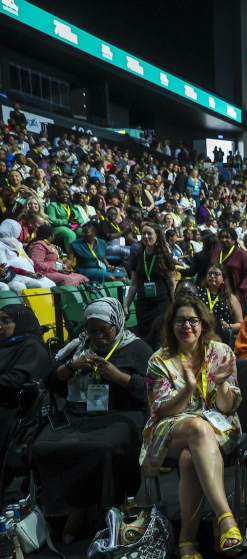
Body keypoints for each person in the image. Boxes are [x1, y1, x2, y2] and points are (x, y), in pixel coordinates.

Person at [142, 296, 244, 559]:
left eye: (192, 320)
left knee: (189, 458)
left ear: (203, 324)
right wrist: (187, 390)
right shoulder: (159, 360)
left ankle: (187, 540)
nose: (187, 326)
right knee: (197, 427)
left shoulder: (221, 352)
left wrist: (220, 384)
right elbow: (162, 411)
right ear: (171, 324)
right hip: (172, 428)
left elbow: (227, 407)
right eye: (180, 320)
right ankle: (225, 518)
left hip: (218, 426)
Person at [37, 299, 153, 541]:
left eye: (105, 330)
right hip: (79, 412)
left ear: (117, 324)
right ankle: (68, 509)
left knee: (102, 447)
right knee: (43, 447)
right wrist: (72, 366)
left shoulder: (137, 348)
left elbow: (154, 389)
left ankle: (103, 508)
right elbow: (48, 378)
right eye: (92, 331)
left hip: (122, 413)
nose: (99, 337)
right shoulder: (79, 346)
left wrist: (119, 376)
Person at [0, 305, 50, 485]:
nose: (0, 326)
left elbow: (15, 381)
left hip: (13, 408)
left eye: (6, 321)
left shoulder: (31, 346)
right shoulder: (5, 345)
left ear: (21, 323)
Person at [125, 224, 175, 338]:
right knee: (145, 337)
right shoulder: (137, 257)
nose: (146, 236)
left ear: (157, 236)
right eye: (143, 233)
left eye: (149, 233)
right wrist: (126, 305)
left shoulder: (164, 257)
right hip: (143, 305)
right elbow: (133, 284)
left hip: (161, 304)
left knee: (160, 336)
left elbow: (172, 285)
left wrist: (174, 304)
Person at [0, 219, 57, 291]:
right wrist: (25, 273)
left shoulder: (17, 243)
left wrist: (36, 271)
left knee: (52, 285)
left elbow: (27, 259)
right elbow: (4, 266)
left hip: (30, 274)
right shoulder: (1, 245)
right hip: (16, 275)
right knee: (35, 286)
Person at [209, 227, 247, 306]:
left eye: (227, 237)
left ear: (233, 240)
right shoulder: (215, 253)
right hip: (218, 290)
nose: (224, 240)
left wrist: (240, 292)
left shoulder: (241, 254)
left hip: (236, 292)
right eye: (222, 237)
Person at [198, 263, 244, 337]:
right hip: (199, 333)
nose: (212, 276)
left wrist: (228, 326)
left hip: (220, 336)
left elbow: (240, 324)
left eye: (216, 274)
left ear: (223, 278)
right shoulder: (197, 292)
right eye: (210, 273)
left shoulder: (230, 298)